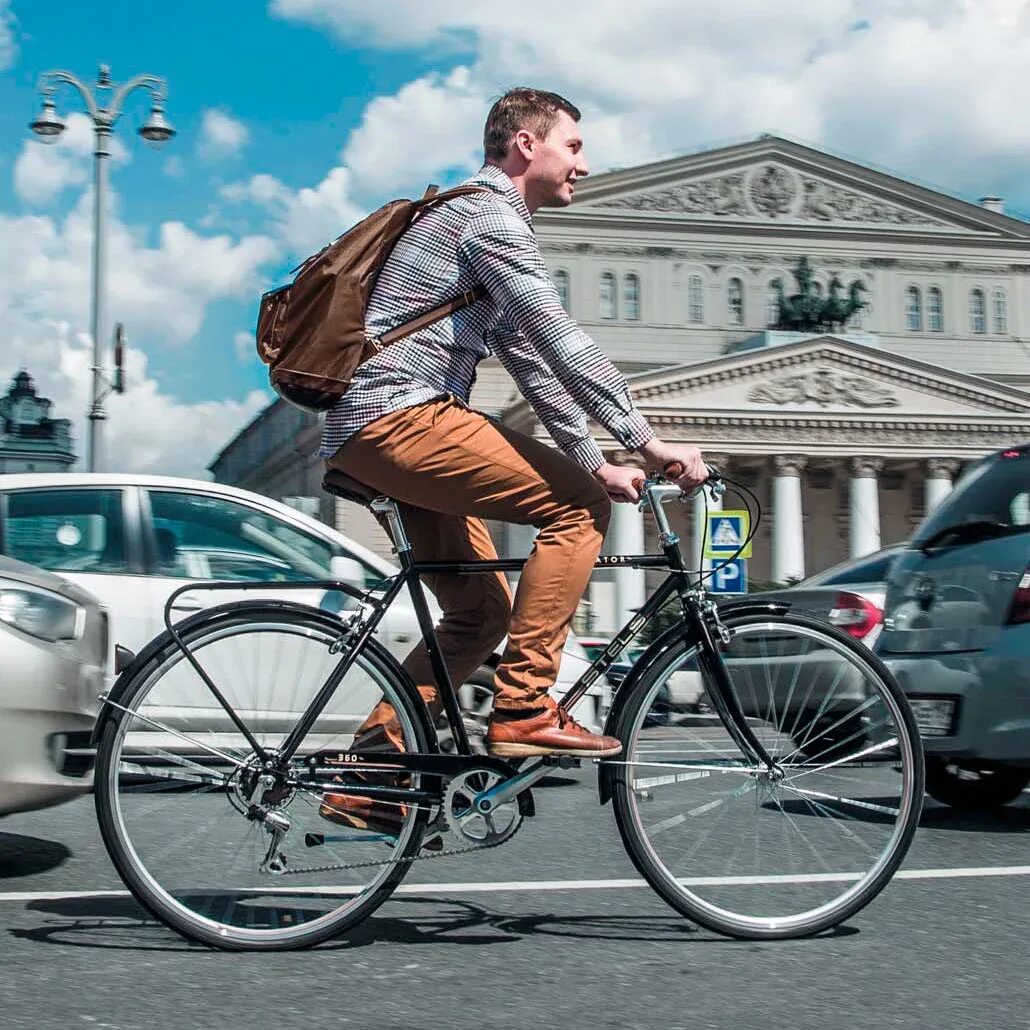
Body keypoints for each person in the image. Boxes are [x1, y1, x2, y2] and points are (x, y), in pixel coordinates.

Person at [319, 88, 707, 832]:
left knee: (479, 612)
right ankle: (526, 707)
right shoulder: (490, 215)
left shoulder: (479, 219)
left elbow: (530, 360)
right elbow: (560, 337)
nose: (584, 166)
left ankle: (368, 773)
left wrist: (594, 457)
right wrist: (647, 441)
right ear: (526, 146)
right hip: (403, 414)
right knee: (577, 513)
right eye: (574, 147)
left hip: (384, 426)